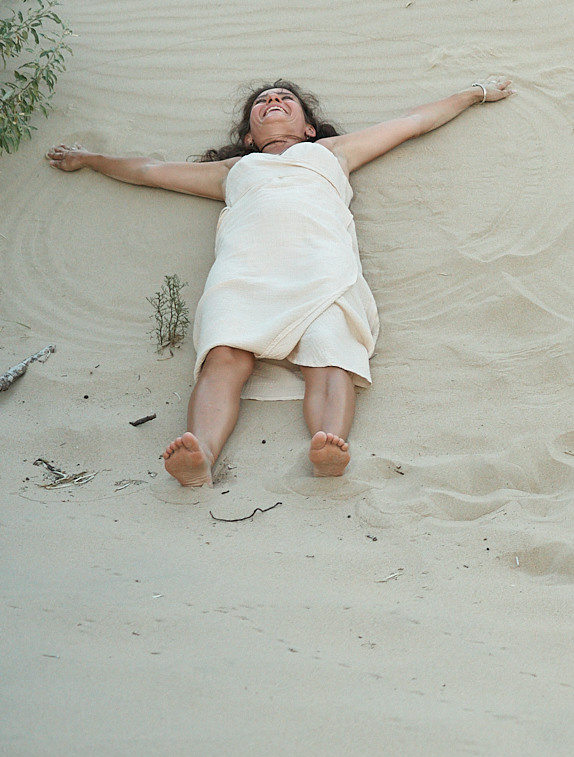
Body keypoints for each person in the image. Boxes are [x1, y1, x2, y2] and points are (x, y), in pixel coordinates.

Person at [47, 78, 513, 486]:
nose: (273, 100)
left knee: (331, 355)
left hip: (322, 267)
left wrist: (475, 92)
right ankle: (201, 454)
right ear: (249, 136)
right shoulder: (235, 171)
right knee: (224, 356)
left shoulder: (332, 153)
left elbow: (413, 121)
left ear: (308, 126)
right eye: (263, 101)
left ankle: (327, 448)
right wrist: (90, 159)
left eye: (285, 98)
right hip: (246, 270)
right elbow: (149, 171)